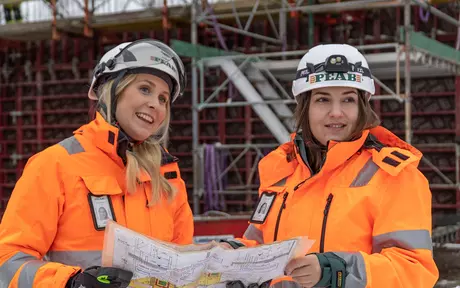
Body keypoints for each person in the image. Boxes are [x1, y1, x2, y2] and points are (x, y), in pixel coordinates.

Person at [221, 44, 439, 288]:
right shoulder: (280, 170)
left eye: (348, 99)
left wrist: (336, 271)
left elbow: (413, 271)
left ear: (362, 107)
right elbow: (261, 247)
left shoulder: (394, 175)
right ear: (305, 107)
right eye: (323, 100)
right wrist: (232, 253)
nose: (336, 113)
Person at [0, 39, 193, 288]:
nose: (155, 103)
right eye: (145, 89)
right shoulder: (56, 164)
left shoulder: (167, 177)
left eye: (164, 98)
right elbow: (8, 261)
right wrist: (72, 283)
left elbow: (184, 265)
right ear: (110, 90)